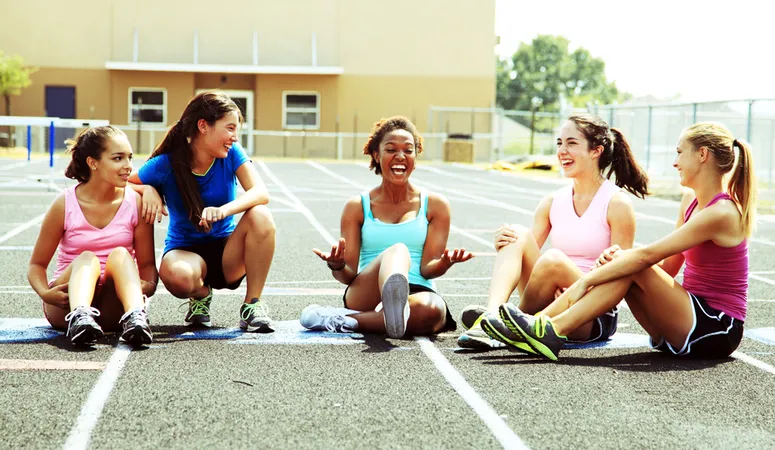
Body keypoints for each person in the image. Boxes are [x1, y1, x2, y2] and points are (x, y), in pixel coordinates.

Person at [500, 122, 755, 361]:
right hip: (684, 320)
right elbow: (668, 269)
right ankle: (537, 326)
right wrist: (614, 265)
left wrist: (587, 281)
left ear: (702, 154)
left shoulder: (721, 213)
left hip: (717, 327)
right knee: (626, 263)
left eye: (679, 152)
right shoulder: (690, 201)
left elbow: (648, 257)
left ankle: (549, 329)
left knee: (633, 261)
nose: (675, 162)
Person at [459, 114, 649, 351]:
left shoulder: (617, 204)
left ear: (595, 151)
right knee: (516, 233)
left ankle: (508, 325)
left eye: (571, 143)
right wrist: (504, 243)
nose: (562, 151)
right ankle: (491, 317)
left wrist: (574, 289)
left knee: (553, 259)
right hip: (550, 297)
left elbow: (621, 277)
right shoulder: (552, 201)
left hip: (592, 311)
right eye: (559, 143)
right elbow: (526, 255)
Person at [299, 116, 473, 338]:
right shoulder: (357, 206)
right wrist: (337, 265)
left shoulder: (436, 205)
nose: (400, 156)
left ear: (415, 157)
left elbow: (428, 269)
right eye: (391, 149)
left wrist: (445, 263)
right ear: (376, 154)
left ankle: (343, 320)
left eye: (408, 151)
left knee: (431, 312)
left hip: (417, 288)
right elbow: (348, 275)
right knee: (398, 250)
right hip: (367, 291)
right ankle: (389, 306)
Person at [129, 91, 276, 332]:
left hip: (227, 253)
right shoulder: (166, 164)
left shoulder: (232, 155)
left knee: (261, 215)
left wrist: (224, 211)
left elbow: (260, 193)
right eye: (229, 128)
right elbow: (121, 182)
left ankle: (252, 305)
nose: (234, 137)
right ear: (203, 126)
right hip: (185, 252)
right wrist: (146, 189)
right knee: (177, 277)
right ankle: (200, 295)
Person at [28, 126, 156, 347]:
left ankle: (136, 317)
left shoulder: (136, 202)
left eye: (129, 157)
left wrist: (137, 286)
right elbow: (36, 266)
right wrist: (45, 293)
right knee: (87, 258)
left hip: (113, 306)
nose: (128, 166)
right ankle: (80, 317)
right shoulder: (64, 203)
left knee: (120, 255)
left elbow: (148, 270)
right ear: (93, 162)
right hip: (65, 306)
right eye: (118, 158)